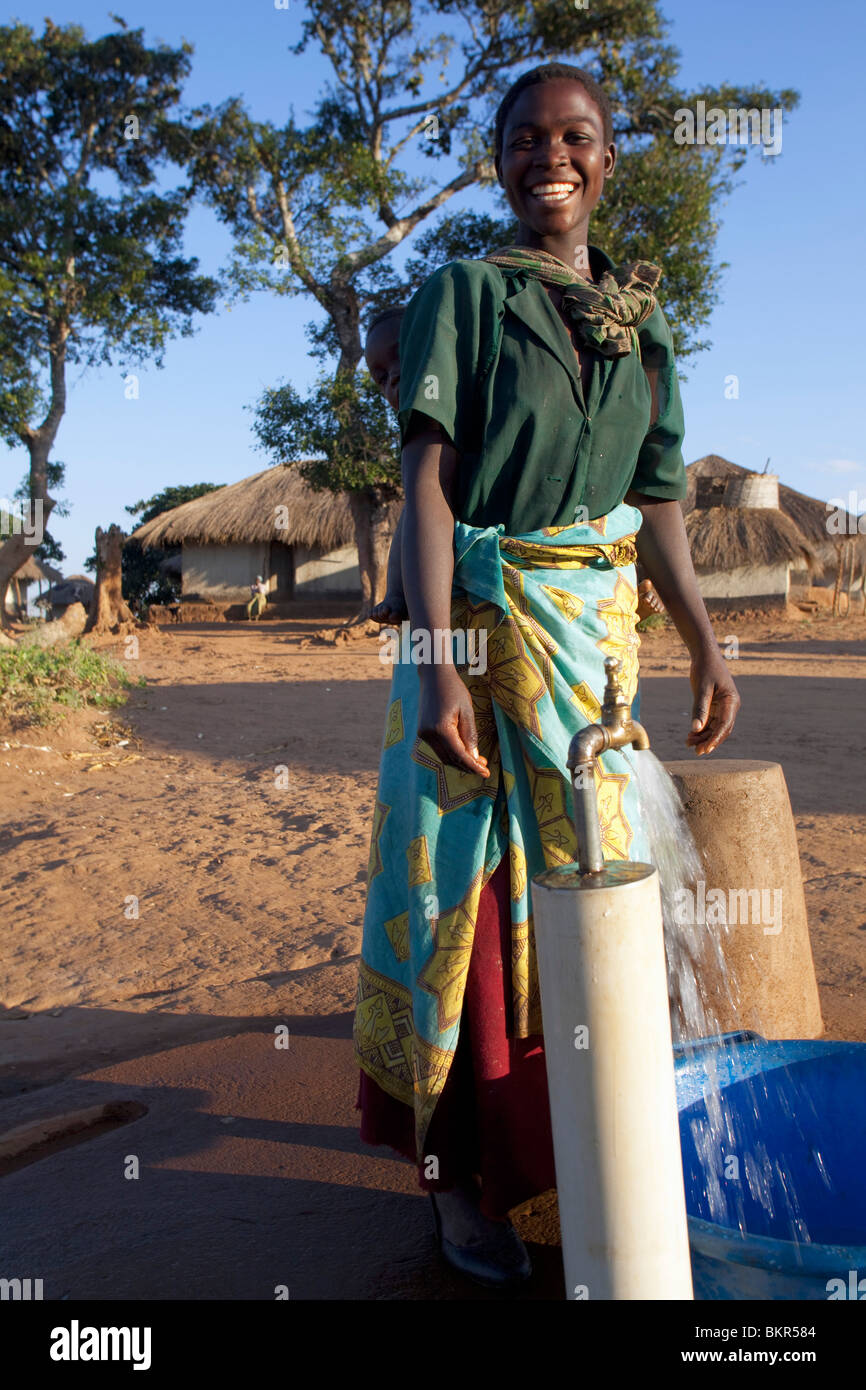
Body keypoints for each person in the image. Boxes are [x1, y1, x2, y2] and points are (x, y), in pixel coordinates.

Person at [354, 61, 740, 1289]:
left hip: (595, 658)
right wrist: (432, 667)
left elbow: (657, 504)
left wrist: (700, 636)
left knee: (589, 894)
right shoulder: (461, 295)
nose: (549, 157)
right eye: (525, 139)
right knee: (475, 909)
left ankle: (583, 1157)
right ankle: (462, 1184)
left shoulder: (644, 320)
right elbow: (425, 482)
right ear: (499, 158)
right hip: (477, 639)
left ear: (607, 160)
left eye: (574, 137)